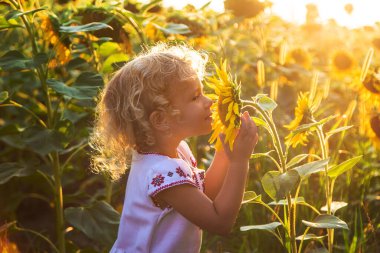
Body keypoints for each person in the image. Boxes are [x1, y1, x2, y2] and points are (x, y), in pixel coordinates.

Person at [90, 43, 258, 253]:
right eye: (195, 97)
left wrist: (224, 152)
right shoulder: (161, 172)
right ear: (161, 120)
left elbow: (203, 197)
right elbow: (219, 222)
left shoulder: (176, 152)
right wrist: (240, 161)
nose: (209, 101)